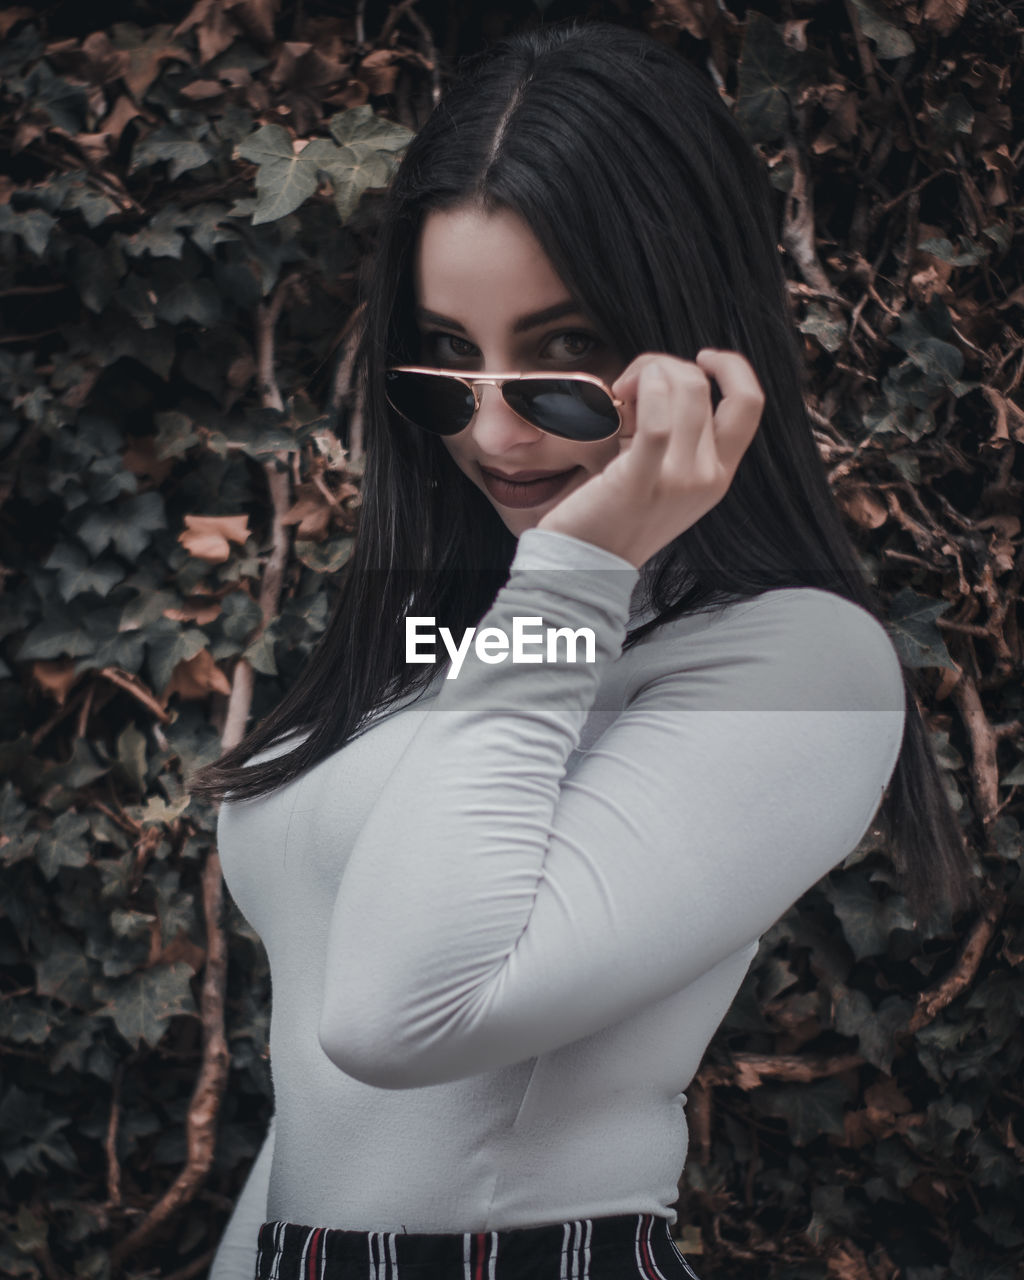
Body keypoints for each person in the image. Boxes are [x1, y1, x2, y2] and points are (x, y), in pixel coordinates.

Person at [190, 19, 977, 1280]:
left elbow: (405, 1015)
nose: (495, 436)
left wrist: (584, 560)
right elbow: (322, 1123)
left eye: (563, 360)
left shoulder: (801, 666)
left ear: (701, 343)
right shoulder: (453, 631)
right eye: (447, 361)